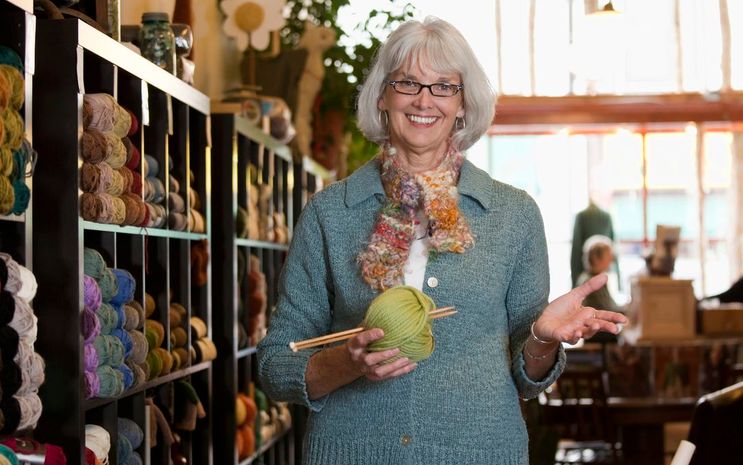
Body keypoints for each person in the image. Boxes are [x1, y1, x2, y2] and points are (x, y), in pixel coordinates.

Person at [257, 17, 627, 465]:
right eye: (407, 82)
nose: (424, 100)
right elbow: (276, 365)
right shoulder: (331, 213)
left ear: (463, 104)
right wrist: (346, 363)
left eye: (443, 87)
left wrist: (542, 340)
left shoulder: (512, 215)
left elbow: (529, 379)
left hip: (482, 454)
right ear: (382, 96)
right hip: (350, 453)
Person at [576, 235, 621, 313]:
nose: (611, 260)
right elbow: (609, 310)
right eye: (608, 256)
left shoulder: (590, 277)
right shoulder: (593, 282)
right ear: (596, 258)